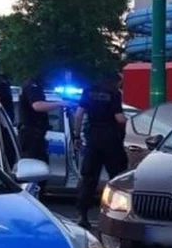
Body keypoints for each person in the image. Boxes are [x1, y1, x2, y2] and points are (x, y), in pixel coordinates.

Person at [73, 71, 128, 229]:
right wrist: (130, 122)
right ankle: (116, 214)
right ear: (114, 82)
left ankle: (82, 215)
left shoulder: (87, 91)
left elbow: (78, 115)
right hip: (111, 140)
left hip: (93, 140)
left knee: (89, 178)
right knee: (117, 177)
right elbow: (119, 118)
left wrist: (77, 136)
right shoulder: (114, 93)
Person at [17, 74, 66, 164]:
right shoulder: (32, 86)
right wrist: (61, 104)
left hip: (32, 133)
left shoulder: (31, 85)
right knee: (35, 166)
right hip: (32, 134)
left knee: (37, 165)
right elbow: (37, 106)